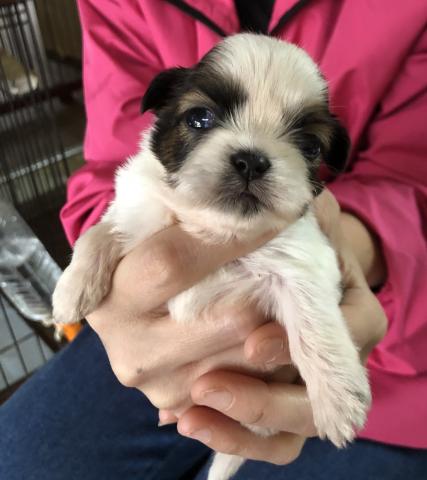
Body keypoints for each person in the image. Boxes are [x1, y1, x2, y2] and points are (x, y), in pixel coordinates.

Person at [1, 1, 426, 479]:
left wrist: (352, 255)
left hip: (398, 361)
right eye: (202, 119)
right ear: (161, 117)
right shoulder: (146, 181)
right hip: (146, 341)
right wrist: (103, 270)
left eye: (305, 145)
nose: (251, 158)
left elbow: (407, 182)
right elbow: (110, 199)